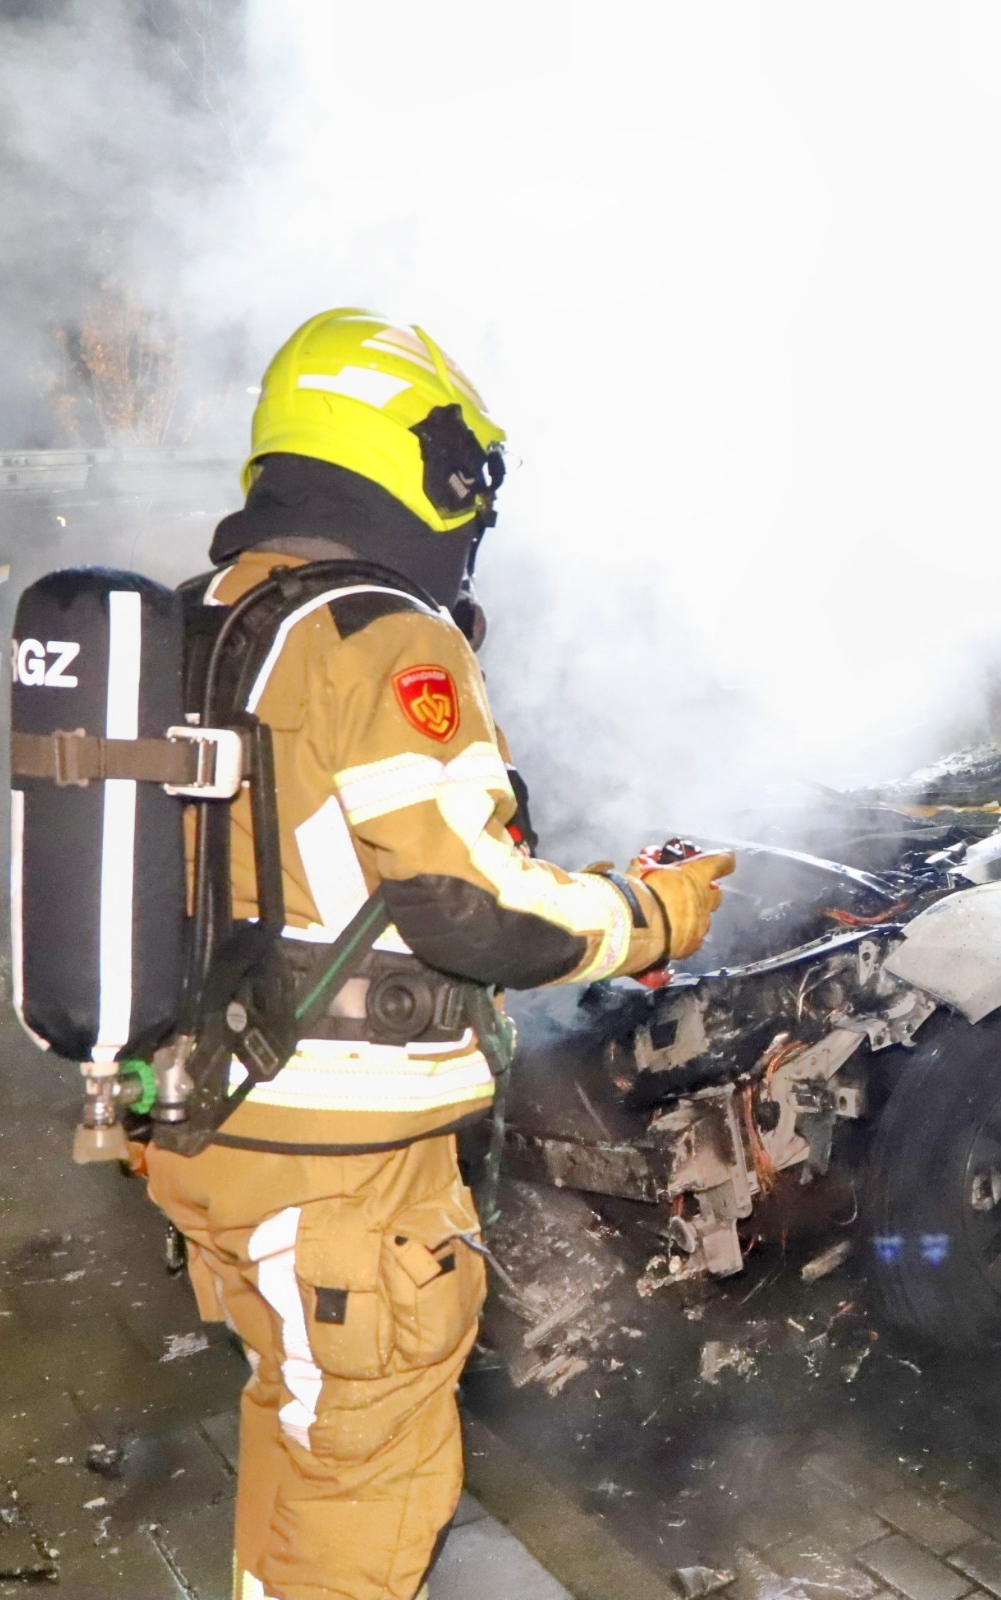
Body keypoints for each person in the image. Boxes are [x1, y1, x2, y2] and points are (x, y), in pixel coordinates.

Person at [145, 308, 734, 1598]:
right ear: (413, 455)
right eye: (465, 474)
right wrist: (653, 912)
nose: (472, 510)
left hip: (214, 1124)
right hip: (336, 1172)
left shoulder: (218, 620)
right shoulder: (376, 633)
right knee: (371, 1493)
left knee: (302, 1436)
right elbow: (472, 907)